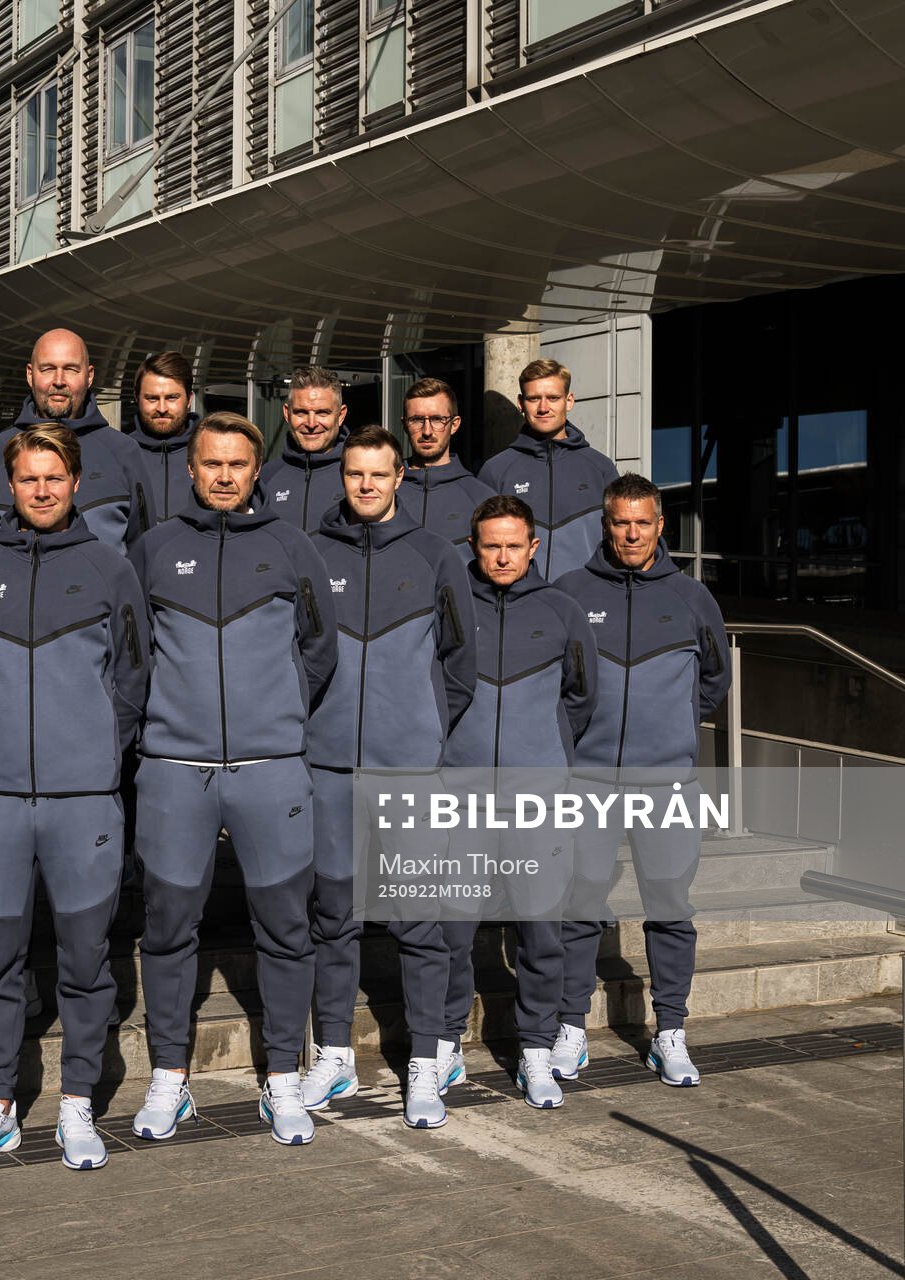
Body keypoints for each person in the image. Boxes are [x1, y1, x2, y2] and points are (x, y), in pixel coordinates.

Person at [0, 424, 150, 1173]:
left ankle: (78, 1104)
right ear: (9, 486)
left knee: (87, 961)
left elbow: (133, 677)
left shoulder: (110, 568)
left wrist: (94, 751)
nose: (42, 490)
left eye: (53, 478)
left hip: (84, 799)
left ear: (77, 482)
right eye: (28, 479)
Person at [129, 412, 337, 1146]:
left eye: (237, 464)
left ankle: (283, 1075)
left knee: (285, 929)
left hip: (269, 769)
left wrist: (275, 718)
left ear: (257, 470)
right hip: (174, 771)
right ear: (191, 468)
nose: (223, 476)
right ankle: (170, 1078)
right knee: (166, 930)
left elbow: (318, 648)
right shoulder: (153, 549)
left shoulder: (290, 546)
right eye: (211, 463)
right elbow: (134, 655)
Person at [302, 425, 475, 1129]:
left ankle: (428, 1063)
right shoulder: (312, 552)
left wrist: (423, 732)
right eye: (354, 474)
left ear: (400, 476)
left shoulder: (436, 556)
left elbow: (459, 665)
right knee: (332, 919)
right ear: (341, 476)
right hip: (331, 767)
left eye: (378, 474)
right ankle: (335, 1055)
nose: (366, 485)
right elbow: (301, 650)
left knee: (419, 923)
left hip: (409, 771)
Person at [553, 473, 730, 1088]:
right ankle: (569, 1027)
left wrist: (671, 730)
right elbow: (558, 680)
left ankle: (670, 1031)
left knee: (670, 906)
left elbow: (713, 680)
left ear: (661, 526)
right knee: (578, 904)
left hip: (668, 783)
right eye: (621, 522)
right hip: (590, 781)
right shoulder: (571, 592)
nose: (632, 533)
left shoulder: (692, 598)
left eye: (643, 522)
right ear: (607, 525)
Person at [440, 494, 596, 1109]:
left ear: (534, 547)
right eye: (490, 545)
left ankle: (535, 1048)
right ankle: (447, 1041)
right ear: (473, 548)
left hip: (536, 797)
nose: (502, 556)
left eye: (513, 545)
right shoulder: (450, 610)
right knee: (452, 926)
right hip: (463, 794)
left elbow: (580, 696)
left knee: (541, 928)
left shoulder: (561, 610)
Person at [0, 328, 143, 555]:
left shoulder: (123, 451)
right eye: (48, 369)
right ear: (30, 374)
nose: (59, 381)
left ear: (89, 376)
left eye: (71, 369)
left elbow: (141, 552)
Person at [476, 359, 619, 582]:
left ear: (569, 401)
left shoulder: (600, 467)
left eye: (553, 398)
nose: (543, 408)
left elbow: (619, 539)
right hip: (519, 603)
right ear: (521, 403)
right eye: (534, 399)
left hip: (585, 600)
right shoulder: (496, 470)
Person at [397, 377, 491, 546]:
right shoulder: (384, 490)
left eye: (437, 420)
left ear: (454, 425)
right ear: (405, 424)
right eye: (417, 420)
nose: (427, 431)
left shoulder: (481, 497)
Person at [257, 366, 349, 532]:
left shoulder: (359, 475)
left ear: (340, 415)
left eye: (322, 413)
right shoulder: (266, 477)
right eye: (301, 412)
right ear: (287, 413)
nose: (311, 424)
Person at [129, 349, 200, 530]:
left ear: (189, 398)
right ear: (137, 398)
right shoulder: (121, 454)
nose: (162, 408)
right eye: (152, 398)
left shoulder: (210, 452)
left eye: (172, 398)